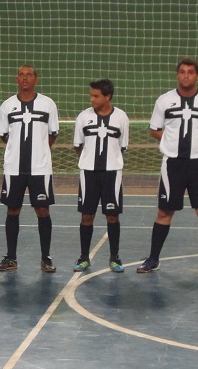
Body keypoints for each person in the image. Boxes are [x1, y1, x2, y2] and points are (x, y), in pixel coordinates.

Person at [137, 58, 198, 274]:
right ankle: (153, 259)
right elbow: (155, 129)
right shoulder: (164, 100)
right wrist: (171, 143)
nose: (186, 75)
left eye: (190, 72)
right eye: (182, 71)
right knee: (164, 211)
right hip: (172, 165)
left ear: (197, 76)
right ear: (177, 75)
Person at [0, 65, 59, 273]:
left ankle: (46, 258)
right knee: (12, 210)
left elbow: (52, 134)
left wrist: (38, 151)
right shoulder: (7, 106)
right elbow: (4, 135)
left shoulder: (48, 104)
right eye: (21, 75)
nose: (24, 78)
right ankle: (11, 257)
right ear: (16, 79)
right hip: (14, 168)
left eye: (29, 75)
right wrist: (17, 150)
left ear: (35, 80)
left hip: (40, 168)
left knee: (43, 210)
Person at [72, 79, 129, 273]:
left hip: (112, 174)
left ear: (108, 96)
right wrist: (89, 161)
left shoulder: (121, 117)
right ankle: (84, 257)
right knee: (87, 215)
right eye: (91, 95)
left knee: (112, 216)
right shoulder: (83, 117)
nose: (92, 99)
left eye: (96, 96)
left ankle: (114, 257)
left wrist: (110, 161)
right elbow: (78, 145)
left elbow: (122, 146)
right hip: (88, 174)